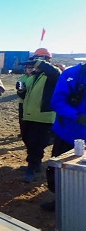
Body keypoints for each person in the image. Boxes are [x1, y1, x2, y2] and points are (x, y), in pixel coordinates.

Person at [41, 62, 86, 211]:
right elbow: (58, 101)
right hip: (68, 133)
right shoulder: (72, 75)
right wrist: (77, 116)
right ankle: (60, 201)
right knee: (59, 169)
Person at [20, 51, 60, 182]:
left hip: (43, 116)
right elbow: (24, 95)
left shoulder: (51, 76)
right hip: (29, 115)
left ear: (45, 60)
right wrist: (20, 90)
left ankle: (31, 167)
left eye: (37, 60)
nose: (34, 63)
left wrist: (40, 63)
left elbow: (55, 73)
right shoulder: (32, 77)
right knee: (27, 139)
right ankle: (35, 163)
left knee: (36, 143)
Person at [16, 63, 34, 137]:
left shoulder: (36, 77)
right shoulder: (22, 78)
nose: (29, 69)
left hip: (33, 102)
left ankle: (31, 132)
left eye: (31, 67)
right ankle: (23, 132)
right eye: (28, 67)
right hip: (23, 102)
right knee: (22, 118)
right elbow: (20, 89)